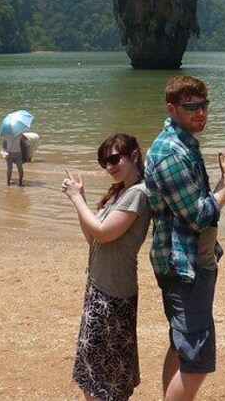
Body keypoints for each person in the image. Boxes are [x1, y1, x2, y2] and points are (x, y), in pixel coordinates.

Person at [144, 75, 225, 400]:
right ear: (172, 108)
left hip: (188, 261)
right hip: (183, 267)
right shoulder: (171, 152)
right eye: (191, 106)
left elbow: (196, 206)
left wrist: (224, 179)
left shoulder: (184, 142)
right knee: (197, 360)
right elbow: (198, 216)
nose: (200, 112)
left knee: (180, 345)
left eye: (203, 105)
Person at [61, 133, 151, 401]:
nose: (109, 167)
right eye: (104, 162)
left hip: (113, 294)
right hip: (99, 287)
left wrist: (76, 198)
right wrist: (82, 200)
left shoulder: (138, 194)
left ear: (134, 156)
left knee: (105, 376)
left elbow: (102, 233)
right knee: (95, 372)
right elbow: (93, 238)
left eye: (114, 159)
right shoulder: (120, 192)